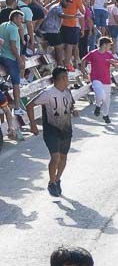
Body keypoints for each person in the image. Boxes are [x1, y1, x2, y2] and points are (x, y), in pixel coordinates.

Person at [26, 67, 76, 196]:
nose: (68, 80)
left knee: (64, 158)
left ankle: (57, 179)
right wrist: (33, 125)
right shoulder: (47, 93)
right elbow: (29, 105)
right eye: (66, 77)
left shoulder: (68, 92)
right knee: (55, 157)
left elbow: (70, 106)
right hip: (51, 130)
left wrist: (73, 110)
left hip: (66, 129)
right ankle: (52, 183)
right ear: (61, 78)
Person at [80, 36, 118, 125]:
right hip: (95, 78)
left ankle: (105, 115)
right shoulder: (93, 53)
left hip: (106, 79)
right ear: (104, 45)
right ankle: (98, 106)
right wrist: (83, 73)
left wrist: (114, 63)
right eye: (109, 45)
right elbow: (83, 60)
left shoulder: (108, 54)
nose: (110, 47)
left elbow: (116, 65)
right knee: (100, 94)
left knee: (107, 99)